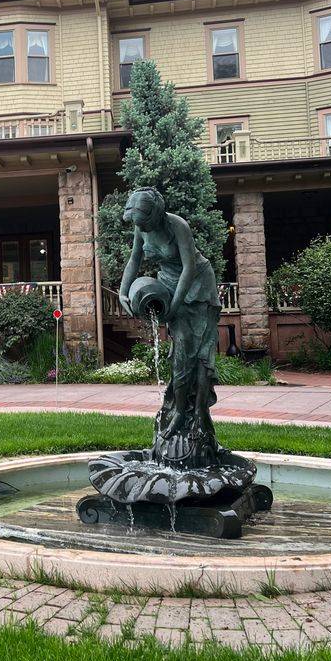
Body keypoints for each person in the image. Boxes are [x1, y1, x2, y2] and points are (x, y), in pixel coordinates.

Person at [119, 187, 221, 468]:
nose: (139, 226)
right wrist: (122, 292)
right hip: (168, 282)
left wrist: (175, 306)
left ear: (156, 213)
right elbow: (134, 259)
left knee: (201, 353)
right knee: (181, 352)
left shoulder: (178, 225)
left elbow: (189, 267)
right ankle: (177, 412)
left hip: (198, 286)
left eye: (143, 220)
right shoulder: (141, 228)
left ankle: (199, 412)